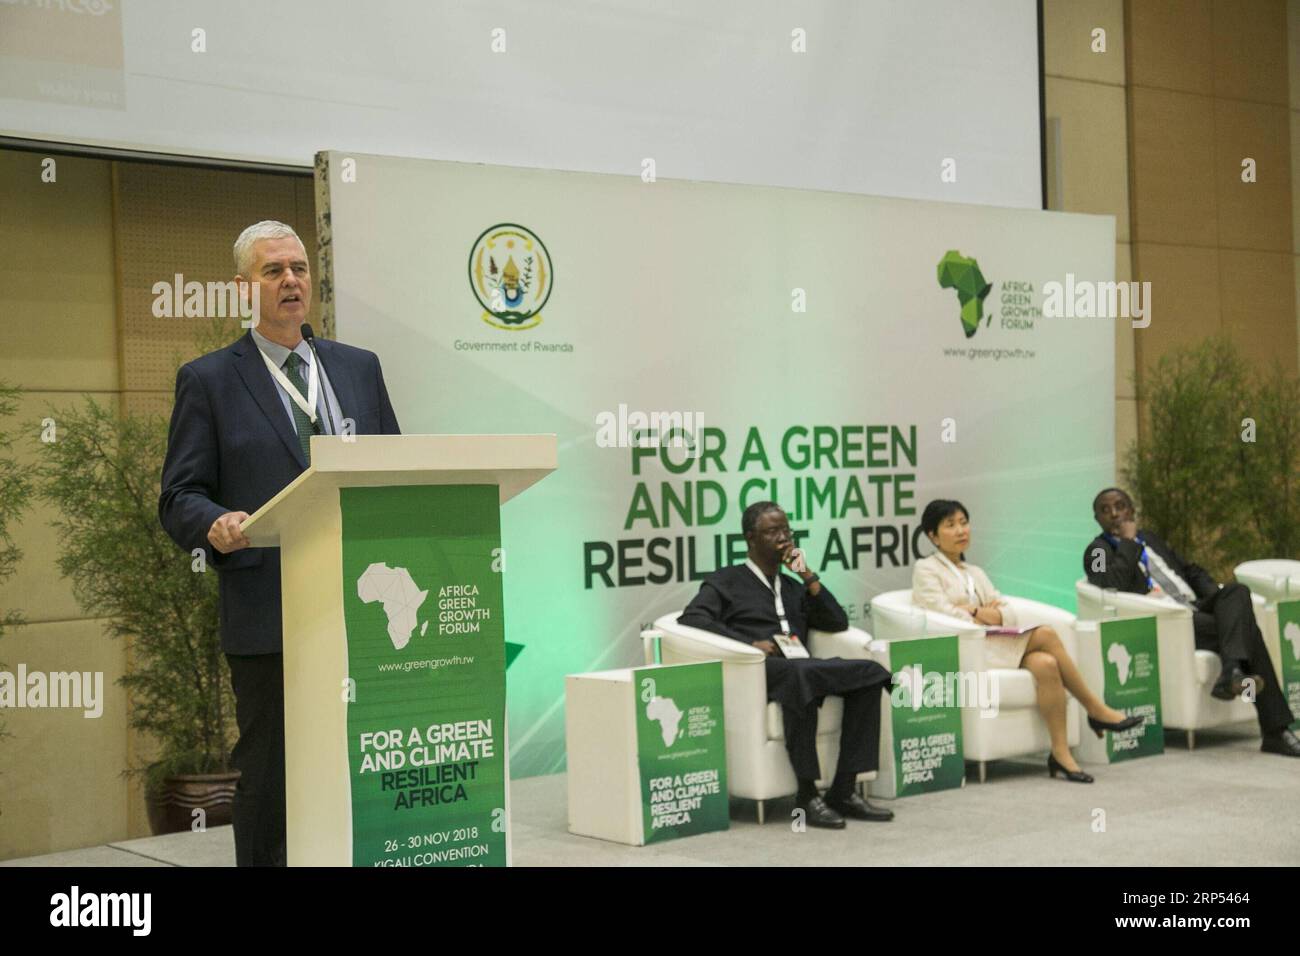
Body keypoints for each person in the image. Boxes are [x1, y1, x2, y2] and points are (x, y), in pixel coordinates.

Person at [158, 221, 402, 865]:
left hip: (365, 606)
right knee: (271, 772)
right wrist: (212, 523)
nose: (291, 281)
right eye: (273, 272)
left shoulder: (359, 368)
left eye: (298, 268)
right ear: (244, 289)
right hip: (268, 611)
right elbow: (179, 494)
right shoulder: (209, 380)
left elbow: (396, 472)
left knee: (357, 761)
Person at [679, 501, 894, 829]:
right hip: (755, 669)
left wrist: (807, 575)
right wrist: (749, 645)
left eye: (786, 530)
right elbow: (692, 618)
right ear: (751, 538)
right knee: (801, 674)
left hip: (799, 667)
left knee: (870, 673)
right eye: (772, 531)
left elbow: (835, 621)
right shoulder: (727, 580)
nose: (783, 538)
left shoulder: (793, 586)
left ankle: (844, 789)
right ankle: (807, 796)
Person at [913, 499, 1142, 783]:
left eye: (963, 522)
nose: (961, 530)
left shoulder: (976, 573)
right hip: (968, 649)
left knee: (1046, 663)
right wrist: (982, 613)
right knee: (1045, 633)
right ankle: (1095, 708)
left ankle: (1061, 755)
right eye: (950, 525)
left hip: (996, 643)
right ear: (933, 536)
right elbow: (941, 614)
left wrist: (979, 612)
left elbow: (1006, 610)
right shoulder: (927, 569)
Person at [1085, 488, 1300, 758]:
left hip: (1195, 608)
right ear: (1097, 518)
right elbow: (1109, 583)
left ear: (1132, 510)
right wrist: (1128, 543)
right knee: (1249, 632)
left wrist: (1219, 602)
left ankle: (1233, 673)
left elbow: (1189, 570)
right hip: (1166, 621)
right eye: (1106, 510)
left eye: (1120, 506)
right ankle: (1274, 729)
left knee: (1236, 592)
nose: (1115, 514)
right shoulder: (1097, 550)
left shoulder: (1150, 538)